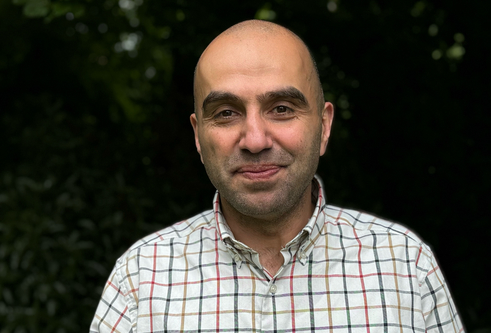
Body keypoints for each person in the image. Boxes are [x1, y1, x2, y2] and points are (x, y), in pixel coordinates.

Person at [90, 20, 464, 332]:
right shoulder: (140, 278)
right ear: (197, 137)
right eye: (225, 113)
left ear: (324, 125)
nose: (254, 140)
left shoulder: (405, 265)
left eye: (282, 108)